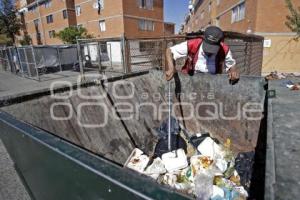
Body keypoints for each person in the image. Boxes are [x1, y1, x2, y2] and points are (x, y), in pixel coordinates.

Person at [165, 26, 239, 82]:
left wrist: (233, 71)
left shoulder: (224, 49)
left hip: (212, 82)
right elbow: (169, 51)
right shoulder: (193, 44)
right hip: (190, 80)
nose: (209, 52)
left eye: (213, 49)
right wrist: (171, 67)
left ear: (219, 44)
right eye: (208, 47)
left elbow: (231, 65)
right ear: (203, 39)